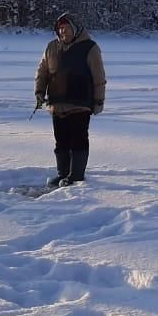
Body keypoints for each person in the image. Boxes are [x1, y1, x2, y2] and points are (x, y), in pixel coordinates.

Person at [34, 12, 106, 186]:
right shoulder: (51, 47)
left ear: (75, 29)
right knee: (61, 141)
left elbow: (99, 78)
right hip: (57, 104)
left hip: (80, 104)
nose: (62, 31)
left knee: (78, 140)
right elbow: (42, 72)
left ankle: (76, 176)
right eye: (60, 28)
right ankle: (63, 173)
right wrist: (39, 92)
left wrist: (98, 101)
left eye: (66, 28)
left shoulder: (90, 48)